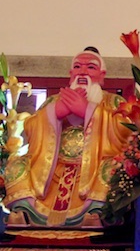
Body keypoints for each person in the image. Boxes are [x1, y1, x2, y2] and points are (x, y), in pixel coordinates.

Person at [3, 47, 132, 227]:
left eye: (91, 67)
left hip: (94, 168)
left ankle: (96, 211)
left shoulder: (114, 102)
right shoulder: (54, 101)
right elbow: (30, 127)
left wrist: (88, 111)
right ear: (71, 74)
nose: (83, 71)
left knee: (115, 167)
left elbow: (126, 128)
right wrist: (54, 112)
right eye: (77, 67)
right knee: (17, 164)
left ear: (102, 76)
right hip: (52, 170)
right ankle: (23, 209)